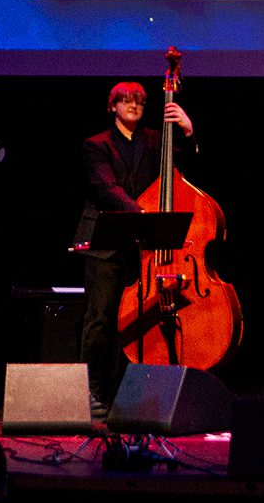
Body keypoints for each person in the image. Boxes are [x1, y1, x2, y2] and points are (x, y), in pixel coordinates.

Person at [74, 82, 194, 415]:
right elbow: (105, 187)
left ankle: (124, 395)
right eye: (126, 100)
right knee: (100, 320)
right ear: (112, 106)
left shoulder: (157, 140)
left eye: (140, 101)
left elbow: (182, 171)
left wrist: (186, 131)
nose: (133, 106)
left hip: (139, 249)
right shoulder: (95, 145)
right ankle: (93, 391)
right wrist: (142, 214)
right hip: (105, 245)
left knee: (132, 323)